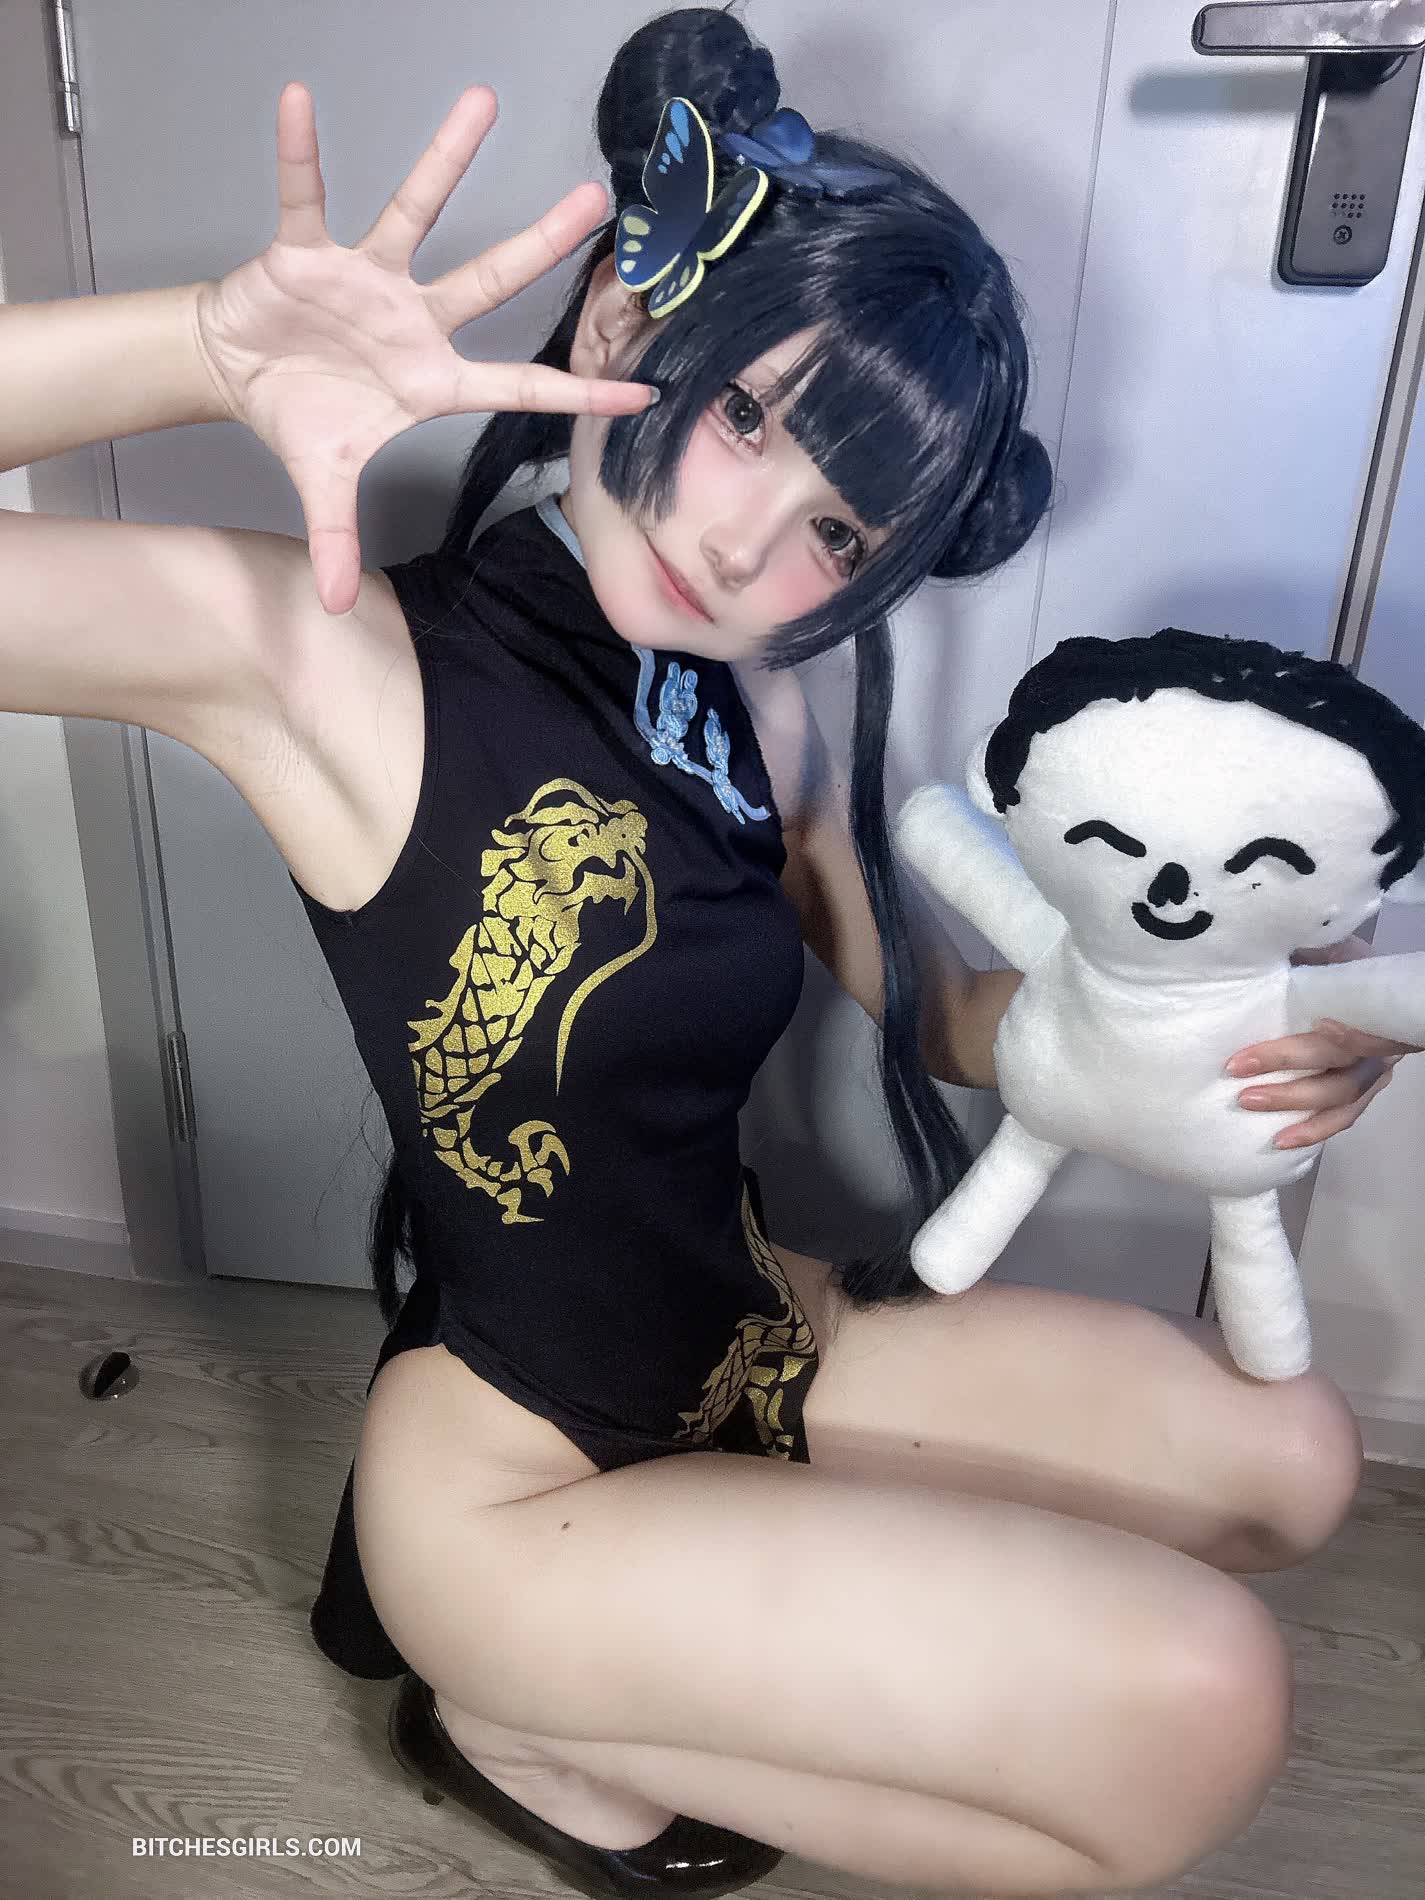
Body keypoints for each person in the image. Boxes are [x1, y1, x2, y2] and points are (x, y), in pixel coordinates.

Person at [1, 8, 1415, 1895]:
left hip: (758, 1332)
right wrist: (196, 350)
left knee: (1293, 1460)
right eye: (747, 413)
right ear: (619, 316)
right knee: (1202, 1719)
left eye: (837, 525)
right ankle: (514, 1717)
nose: (750, 548)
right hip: (514, 1476)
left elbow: (943, 1014)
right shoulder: (334, 663)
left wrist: (1229, 1037)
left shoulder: (764, 701)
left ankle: (692, 1632)